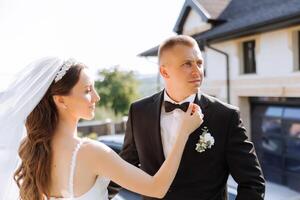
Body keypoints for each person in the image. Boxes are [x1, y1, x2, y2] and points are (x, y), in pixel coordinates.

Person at [0, 57, 203, 200]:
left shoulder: (32, 150)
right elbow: (157, 188)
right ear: (61, 100)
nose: (97, 97)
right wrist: (183, 132)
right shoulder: (90, 152)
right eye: (88, 90)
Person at [116, 35, 266, 200]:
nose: (197, 71)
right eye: (187, 64)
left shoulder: (226, 116)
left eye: (199, 63)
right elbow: (124, 168)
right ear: (164, 71)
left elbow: (253, 184)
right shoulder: (139, 111)